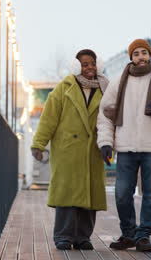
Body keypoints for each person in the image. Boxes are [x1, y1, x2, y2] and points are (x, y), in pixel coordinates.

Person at [97, 39, 151, 252]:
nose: (140, 57)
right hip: (125, 147)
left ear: (149, 55)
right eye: (136, 54)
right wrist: (106, 142)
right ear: (131, 57)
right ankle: (128, 233)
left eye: (144, 53)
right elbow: (105, 113)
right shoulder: (118, 82)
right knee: (122, 193)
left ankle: (144, 236)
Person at [31, 49, 109, 250]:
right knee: (67, 195)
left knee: (89, 195)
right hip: (68, 150)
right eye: (84, 64)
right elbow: (48, 119)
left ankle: (83, 237)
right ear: (76, 67)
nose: (89, 67)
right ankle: (63, 236)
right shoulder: (63, 89)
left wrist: (111, 143)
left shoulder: (105, 89)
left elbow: (111, 120)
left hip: (93, 150)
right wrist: (38, 144)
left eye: (92, 63)